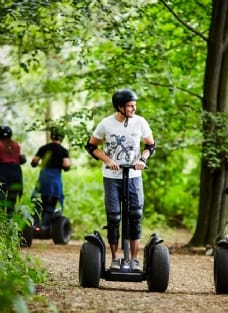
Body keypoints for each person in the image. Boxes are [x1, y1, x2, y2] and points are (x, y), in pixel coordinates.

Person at [85, 89, 156, 271]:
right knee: (114, 216)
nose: (134, 108)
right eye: (130, 105)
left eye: (134, 105)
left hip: (134, 176)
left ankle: (134, 259)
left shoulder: (140, 122)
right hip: (112, 178)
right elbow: (91, 146)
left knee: (135, 215)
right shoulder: (106, 124)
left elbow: (150, 145)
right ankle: (115, 258)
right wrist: (108, 160)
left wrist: (142, 159)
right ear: (120, 107)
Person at [30, 128, 71, 230]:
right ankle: (43, 226)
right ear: (62, 138)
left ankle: (34, 225)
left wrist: (38, 163)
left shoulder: (44, 148)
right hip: (54, 180)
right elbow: (66, 165)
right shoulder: (63, 150)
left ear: (51, 136)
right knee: (50, 204)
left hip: (43, 178)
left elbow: (34, 162)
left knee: (38, 203)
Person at [0, 125, 27, 217]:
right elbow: (23, 159)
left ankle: (2, 222)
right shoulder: (16, 144)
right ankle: (9, 220)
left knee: (1, 197)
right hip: (16, 172)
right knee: (12, 199)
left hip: (2, 171)